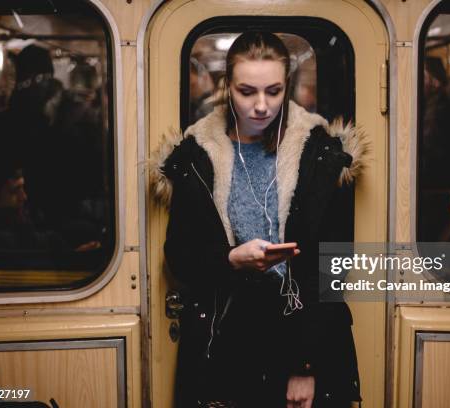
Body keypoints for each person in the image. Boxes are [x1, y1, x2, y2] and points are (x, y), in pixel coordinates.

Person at [152, 32, 365, 407]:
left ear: (288, 87)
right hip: (225, 336)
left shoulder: (320, 154)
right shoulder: (196, 156)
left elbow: (332, 266)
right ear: (227, 88)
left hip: (301, 334)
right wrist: (232, 259)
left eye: (274, 91)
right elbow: (180, 255)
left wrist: (305, 365)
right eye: (247, 91)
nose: (262, 106)